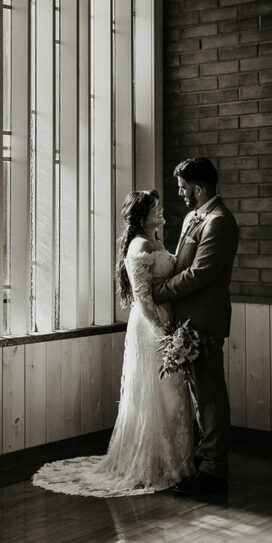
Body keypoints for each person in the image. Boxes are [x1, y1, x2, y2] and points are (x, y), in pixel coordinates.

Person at [32, 189, 194, 497]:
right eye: (154, 207)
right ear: (140, 215)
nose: (159, 211)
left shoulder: (154, 241)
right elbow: (143, 297)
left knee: (170, 392)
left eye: (158, 206)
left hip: (164, 320)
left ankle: (172, 460)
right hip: (151, 326)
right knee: (158, 392)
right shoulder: (139, 245)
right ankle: (155, 463)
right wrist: (164, 330)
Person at [152, 156, 239, 496]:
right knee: (198, 397)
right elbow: (178, 264)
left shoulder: (219, 222)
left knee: (210, 397)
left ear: (199, 188)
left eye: (184, 189)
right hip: (184, 320)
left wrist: (160, 292)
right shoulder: (193, 217)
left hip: (204, 320)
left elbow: (199, 273)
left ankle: (215, 472)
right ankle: (203, 464)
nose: (181, 195)